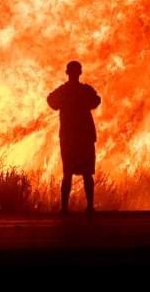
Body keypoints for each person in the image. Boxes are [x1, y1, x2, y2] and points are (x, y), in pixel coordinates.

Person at [47, 60, 101, 215]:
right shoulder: (85, 90)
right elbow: (96, 101)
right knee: (86, 174)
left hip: (69, 138)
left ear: (67, 73)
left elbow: (51, 101)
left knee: (68, 174)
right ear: (80, 73)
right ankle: (89, 207)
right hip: (84, 138)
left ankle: (64, 208)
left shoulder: (63, 91)